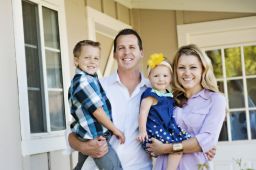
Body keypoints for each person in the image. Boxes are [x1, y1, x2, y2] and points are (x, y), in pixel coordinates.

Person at [68, 29, 152, 169]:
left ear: (141, 52)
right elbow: (71, 136)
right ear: (114, 54)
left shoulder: (153, 91)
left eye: (132, 47)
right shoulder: (97, 86)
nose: (126, 52)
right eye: (121, 48)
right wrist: (84, 146)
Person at [147, 44, 226, 170]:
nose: (187, 73)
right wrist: (155, 147)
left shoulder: (216, 100)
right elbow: (153, 132)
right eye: (181, 67)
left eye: (193, 67)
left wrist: (166, 148)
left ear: (203, 69)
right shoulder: (167, 99)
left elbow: (207, 139)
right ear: (175, 71)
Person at [68, 40, 125, 170]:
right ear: (76, 61)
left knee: (81, 166)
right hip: (95, 136)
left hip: (88, 135)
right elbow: (97, 111)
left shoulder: (91, 79)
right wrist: (115, 130)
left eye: (96, 58)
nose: (92, 61)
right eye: (87, 57)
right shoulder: (83, 81)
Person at [137, 53, 191, 170]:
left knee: (187, 143)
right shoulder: (150, 95)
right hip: (155, 131)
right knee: (177, 149)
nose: (161, 79)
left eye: (165, 76)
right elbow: (143, 113)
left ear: (171, 78)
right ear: (149, 77)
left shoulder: (168, 95)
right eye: (156, 76)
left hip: (168, 129)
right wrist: (142, 131)